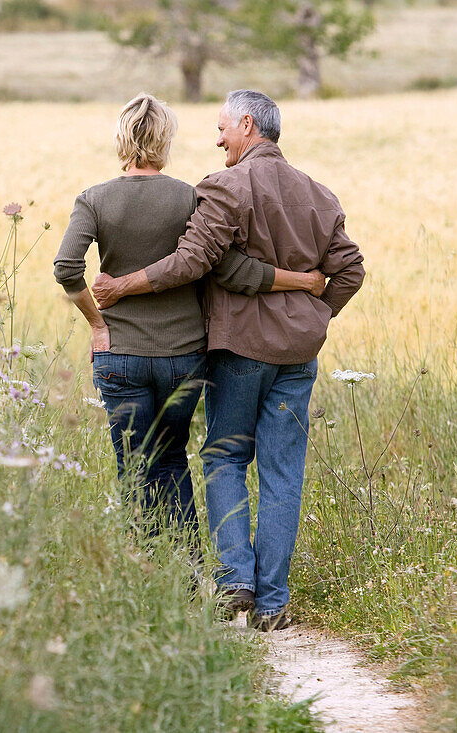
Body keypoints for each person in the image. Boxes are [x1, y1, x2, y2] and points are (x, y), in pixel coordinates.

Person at [92, 90, 365, 630]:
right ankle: (273, 602)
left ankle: (235, 578)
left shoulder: (224, 186)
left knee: (224, 459)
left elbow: (195, 261)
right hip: (298, 356)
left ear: (246, 124)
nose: (217, 139)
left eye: (222, 129)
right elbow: (350, 270)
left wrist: (122, 285)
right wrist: (315, 319)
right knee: (284, 472)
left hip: (239, 349)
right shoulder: (320, 194)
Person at [53, 92, 323, 547]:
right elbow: (217, 265)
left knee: (134, 465)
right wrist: (303, 281)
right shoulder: (191, 197)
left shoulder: (95, 200)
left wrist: (98, 324)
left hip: (119, 355)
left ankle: (146, 569)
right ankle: (190, 568)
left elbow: (66, 269)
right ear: (165, 140)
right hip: (183, 358)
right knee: (173, 458)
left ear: (121, 139)